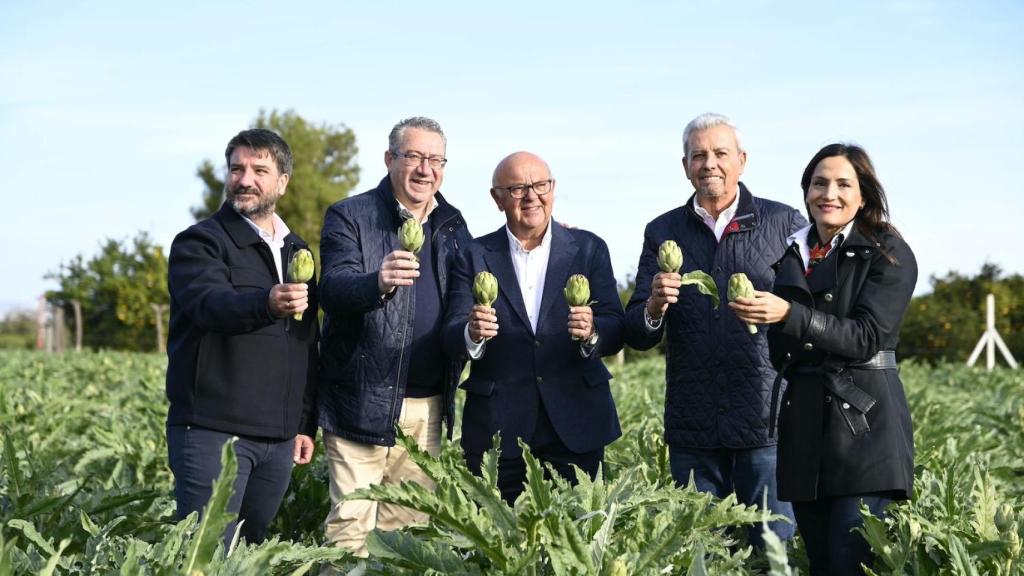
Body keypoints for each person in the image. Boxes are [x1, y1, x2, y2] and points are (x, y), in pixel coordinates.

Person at [730, 143, 916, 575]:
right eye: (819, 183)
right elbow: (785, 352)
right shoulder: (794, 253)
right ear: (806, 192)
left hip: (863, 432)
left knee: (851, 563)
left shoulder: (888, 253)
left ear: (863, 196)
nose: (828, 194)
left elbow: (867, 337)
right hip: (805, 433)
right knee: (821, 564)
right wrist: (762, 319)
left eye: (843, 184)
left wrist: (789, 314)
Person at [623, 113, 804, 547]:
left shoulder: (785, 224)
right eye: (698, 155)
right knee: (704, 554)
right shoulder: (662, 231)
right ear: (685, 165)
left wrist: (781, 311)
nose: (710, 164)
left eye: (720, 153)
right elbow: (638, 333)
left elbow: (812, 311)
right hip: (694, 428)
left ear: (742, 160)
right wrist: (653, 305)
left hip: (767, 425)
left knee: (774, 553)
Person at [317, 116, 472, 557]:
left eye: (435, 160)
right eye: (414, 157)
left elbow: (463, 301)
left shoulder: (453, 225)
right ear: (389, 159)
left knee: (407, 538)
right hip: (361, 400)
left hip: (428, 406)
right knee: (350, 531)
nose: (426, 169)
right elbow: (333, 288)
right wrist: (377, 282)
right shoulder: (350, 215)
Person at [443, 151, 624, 504]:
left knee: (580, 530)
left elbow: (616, 326)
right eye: (517, 189)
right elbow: (451, 331)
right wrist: (471, 333)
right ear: (497, 198)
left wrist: (593, 332)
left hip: (577, 423)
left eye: (540, 185)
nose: (532, 196)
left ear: (552, 188)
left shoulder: (589, 249)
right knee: (496, 531)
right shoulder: (473, 255)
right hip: (498, 430)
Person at [165, 128, 318, 544]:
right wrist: (265, 303)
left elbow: (305, 343)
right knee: (206, 555)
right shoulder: (200, 243)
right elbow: (210, 304)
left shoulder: (298, 252)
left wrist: (303, 423)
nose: (245, 179)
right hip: (213, 433)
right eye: (237, 169)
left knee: (250, 553)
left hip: (278, 440)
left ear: (282, 182)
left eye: (259, 170)